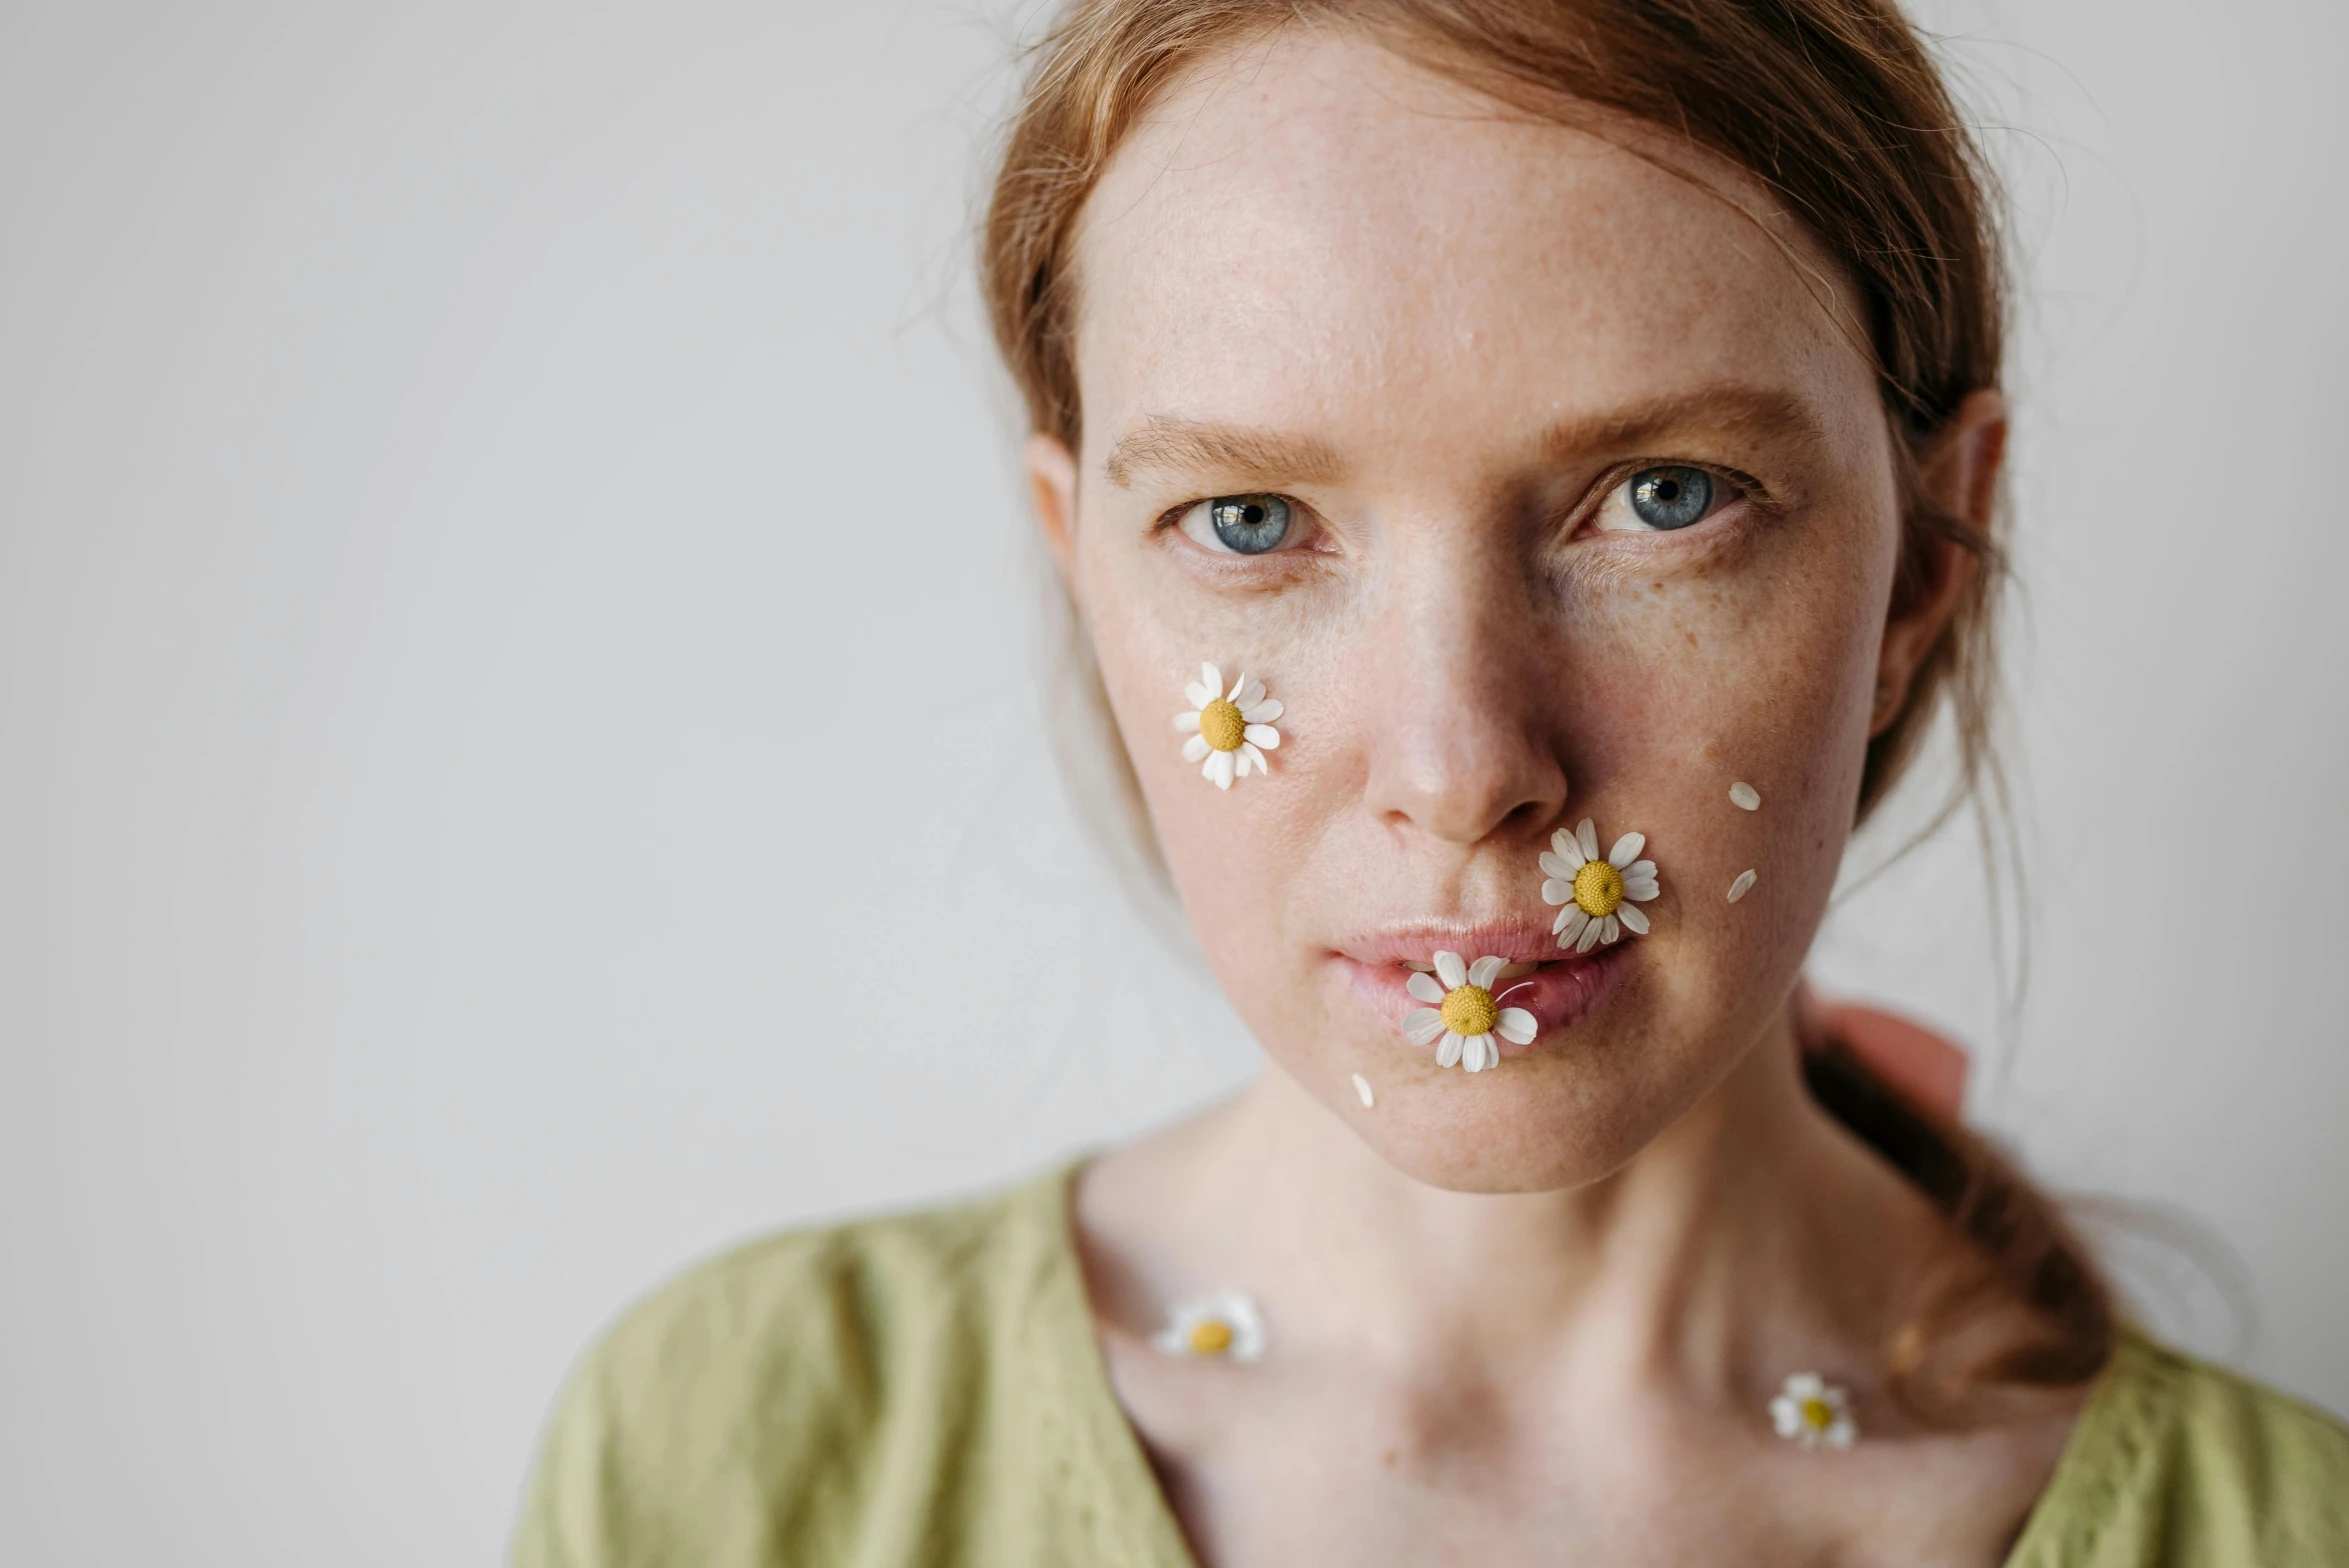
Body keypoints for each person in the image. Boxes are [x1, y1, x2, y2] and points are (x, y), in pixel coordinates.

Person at [510, 2, 2349, 1562]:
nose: (1465, 769)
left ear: (1925, 565)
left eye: (1667, 498)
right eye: (1249, 522)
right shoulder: (747, 1467)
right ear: (1087, 573)